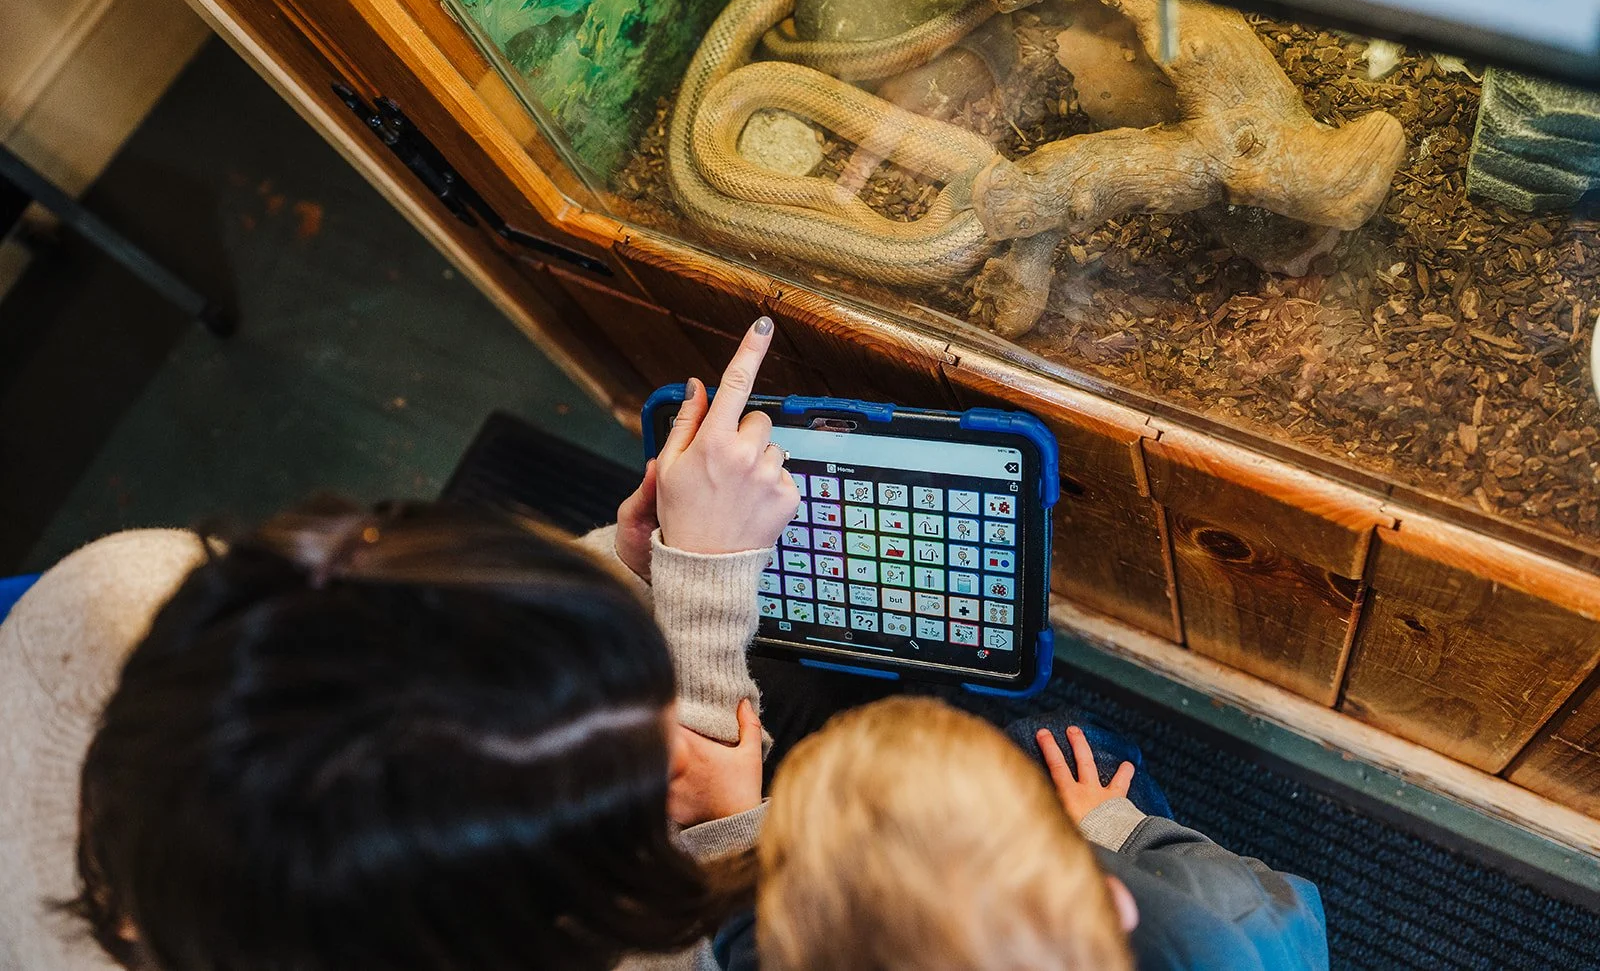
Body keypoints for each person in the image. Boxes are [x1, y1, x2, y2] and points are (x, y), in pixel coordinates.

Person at [0, 318, 796, 971]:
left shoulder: (117, 591)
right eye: (647, 780)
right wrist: (729, 830)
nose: (679, 758)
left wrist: (624, 569)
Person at [713, 694, 1329, 971]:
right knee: (1064, 743)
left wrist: (737, 836)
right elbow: (1290, 913)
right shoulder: (1227, 933)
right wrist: (1116, 828)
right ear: (1115, 898)